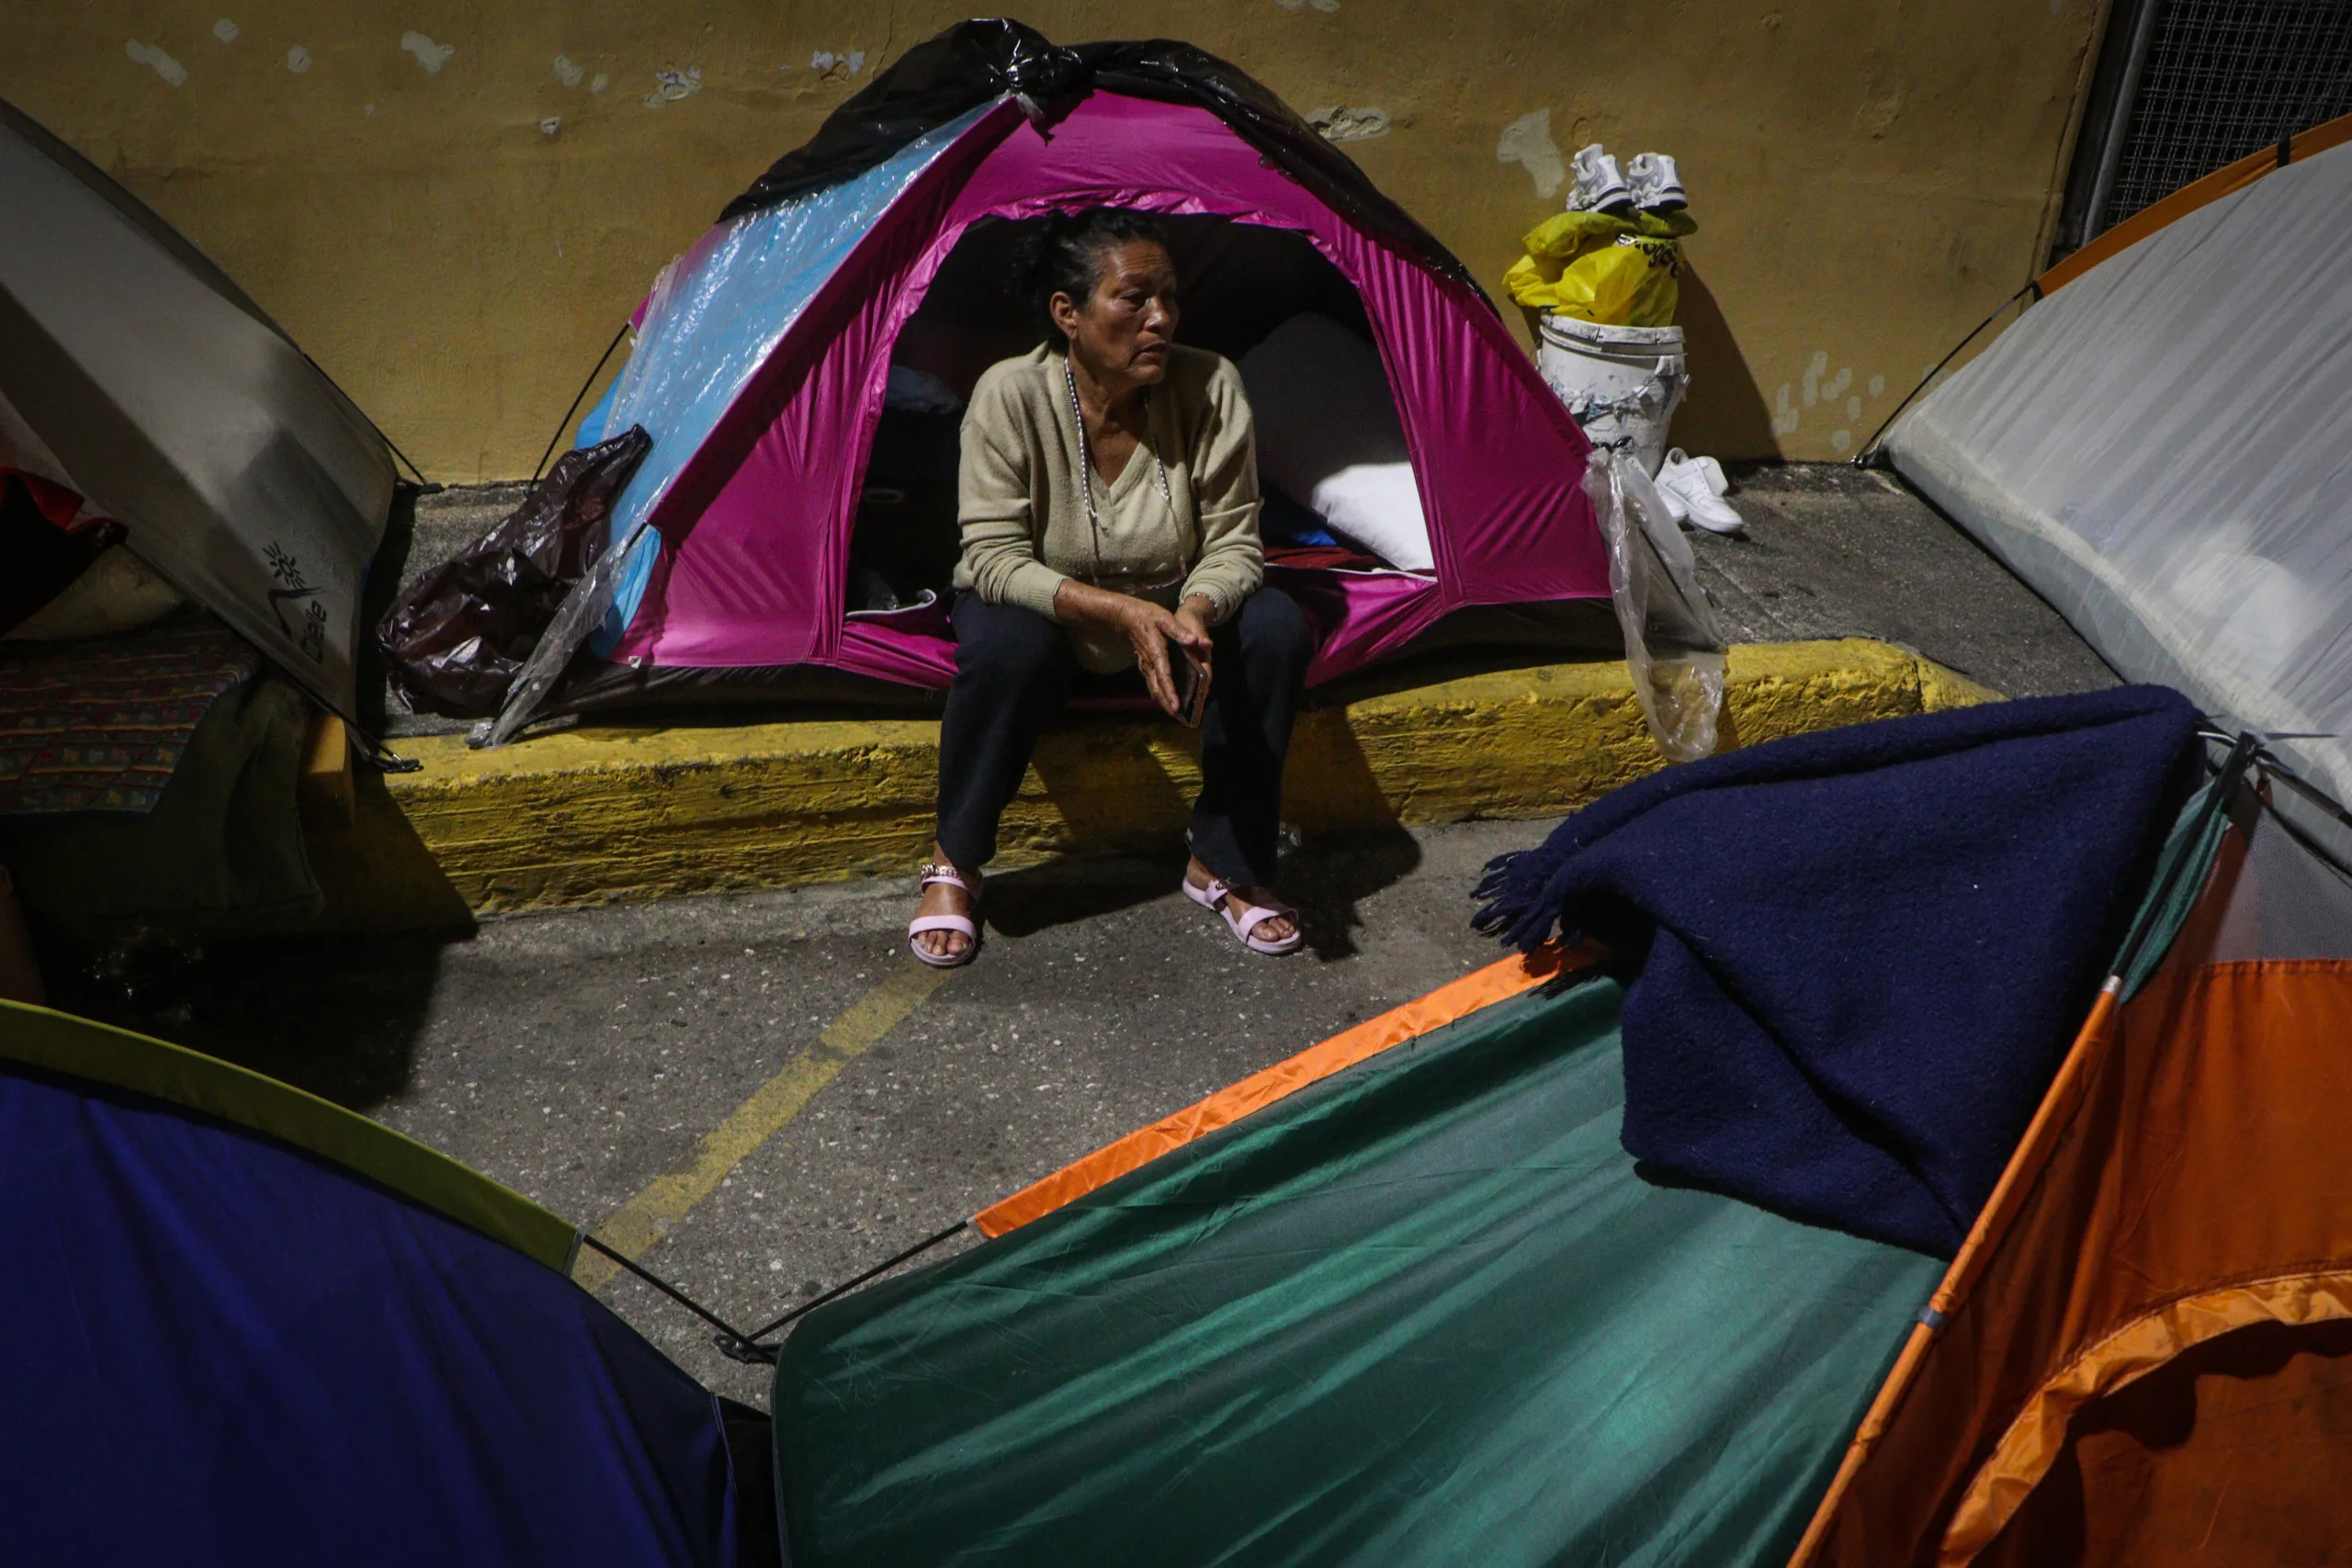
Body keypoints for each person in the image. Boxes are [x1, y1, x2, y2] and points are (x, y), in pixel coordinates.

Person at [908, 209, 1315, 968]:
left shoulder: (1212, 386)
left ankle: (1226, 861)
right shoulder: (1010, 396)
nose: (1160, 318)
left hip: (1175, 602)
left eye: (1169, 298)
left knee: (1275, 626)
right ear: (1069, 313)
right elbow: (992, 556)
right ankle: (956, 862)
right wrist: (1123, 612)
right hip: (1047, 608)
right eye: (1134, 299)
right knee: (1004, 647)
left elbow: (1234, 542)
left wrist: (1192, 610)